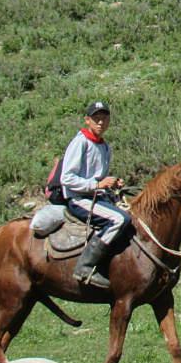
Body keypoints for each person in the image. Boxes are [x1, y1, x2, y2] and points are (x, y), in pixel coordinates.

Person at [61, 101, 127, 288]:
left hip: (97, 196)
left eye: (104, 119)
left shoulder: (105, 146)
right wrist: (97, 184)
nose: (100, 123)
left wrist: (111, 183)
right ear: (87, 120)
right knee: (119, 220)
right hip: (78, 199)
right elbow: (67, 178)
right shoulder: (80, 142)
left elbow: (99, 178)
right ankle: (85, 266)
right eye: (96, 119)